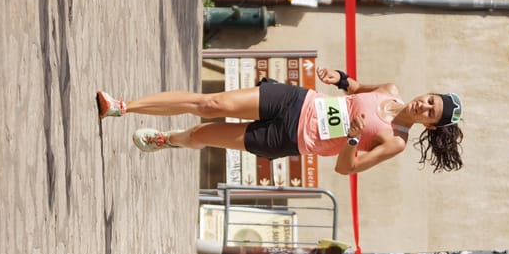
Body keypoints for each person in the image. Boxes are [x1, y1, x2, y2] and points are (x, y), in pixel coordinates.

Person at [94, 67, 464, 176]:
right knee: (210, 103)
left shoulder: (395, 141)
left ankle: (169, 140)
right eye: (430, 100)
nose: (424, 105)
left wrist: (352, 139)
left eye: (430, 112)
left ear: (430, 126)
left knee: (203, 133)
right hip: (296, 100)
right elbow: (355, 87)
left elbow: (346, 169)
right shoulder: (390, 89)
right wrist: (338, 78)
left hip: (289, 137)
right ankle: (121, 106)